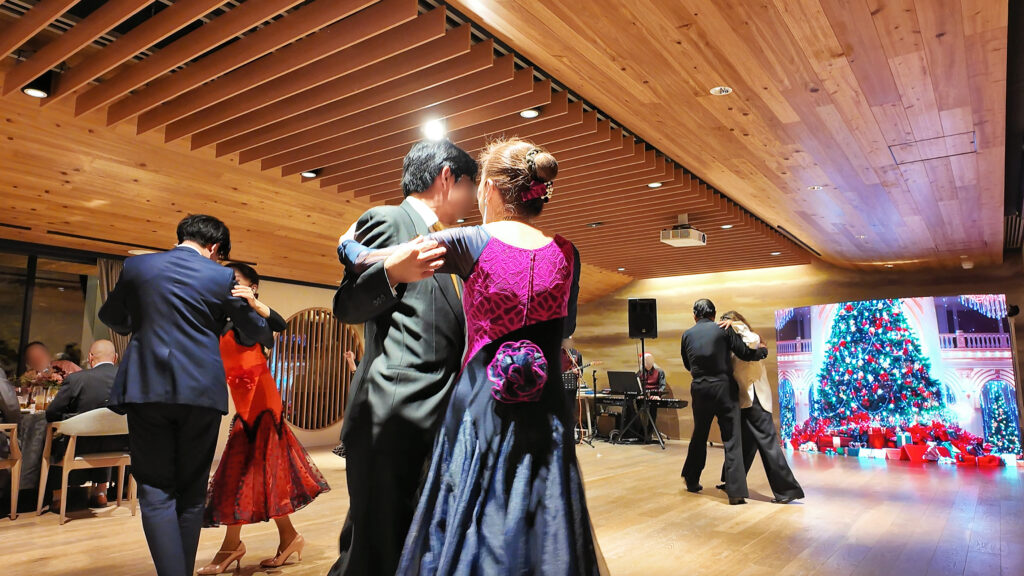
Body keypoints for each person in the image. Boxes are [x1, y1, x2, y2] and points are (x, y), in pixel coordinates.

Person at [338, 138, 604, 574]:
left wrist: (347, 244)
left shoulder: (470, 240)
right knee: (544, 523)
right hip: (547, 410)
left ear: (490, 189)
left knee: (473, 522)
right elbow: (566, 325)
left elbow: (371, 260)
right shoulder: (567, 253)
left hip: (483, 407)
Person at [329, 140, 478, 576]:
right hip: (394, 412)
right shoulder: (390, 219)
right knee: (375, 551)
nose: (473, 198)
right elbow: (346, 306)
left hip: (431, 417)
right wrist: (392, 273)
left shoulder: (448, 242)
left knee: (398, 544)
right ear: (448, 178)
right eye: (470, 185)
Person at [99, 214, 270, 576]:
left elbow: (111, 316)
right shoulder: (221, 277)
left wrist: (140, 322)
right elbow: (257, 332)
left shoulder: (137, 267)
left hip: (146, 388)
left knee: (155, 490)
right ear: (215, 248)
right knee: (192, 492)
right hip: (200, 391)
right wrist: (248, 305)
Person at [198, 263, 329, 574]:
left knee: (244, 471)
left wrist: (255, 304)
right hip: (245, 405)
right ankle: (288, 537)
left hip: (263, 404)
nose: (228, 284)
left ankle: (233, 546)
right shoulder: (224, 319)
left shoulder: (252, 318)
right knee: (258, 471)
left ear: (252, 287)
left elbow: (277, 327)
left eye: (236, 280)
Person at [680, 298, 768, 505]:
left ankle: (691, 480)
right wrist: (763, 351)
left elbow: (687, 364)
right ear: (714, 314)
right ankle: (736, 492)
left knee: (699, 434)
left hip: (699, 388)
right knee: (732, 438)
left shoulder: (687, 334)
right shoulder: (724, 329)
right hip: (724, 388)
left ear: (694, 316)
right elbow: (744, 353)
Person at [716, 311, 804, 504]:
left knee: (768, 444)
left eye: (726, 323)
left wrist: (736, 325)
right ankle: (731, 481)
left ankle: (787, 490)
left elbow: (753, 341)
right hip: (746, 399)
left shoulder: (749, 339)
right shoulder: (736, 344)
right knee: (745, 445)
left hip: (755, 398)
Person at [45, 340, 126, 508]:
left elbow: (52, 413)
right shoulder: (130, 380)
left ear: (90, 357)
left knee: (55, 438)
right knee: (105, 433)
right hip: (121, 445)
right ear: (116, 358)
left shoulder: (77, 379)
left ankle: (58, 497)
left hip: (80, 446)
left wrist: (70, 418)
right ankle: (101, 493)